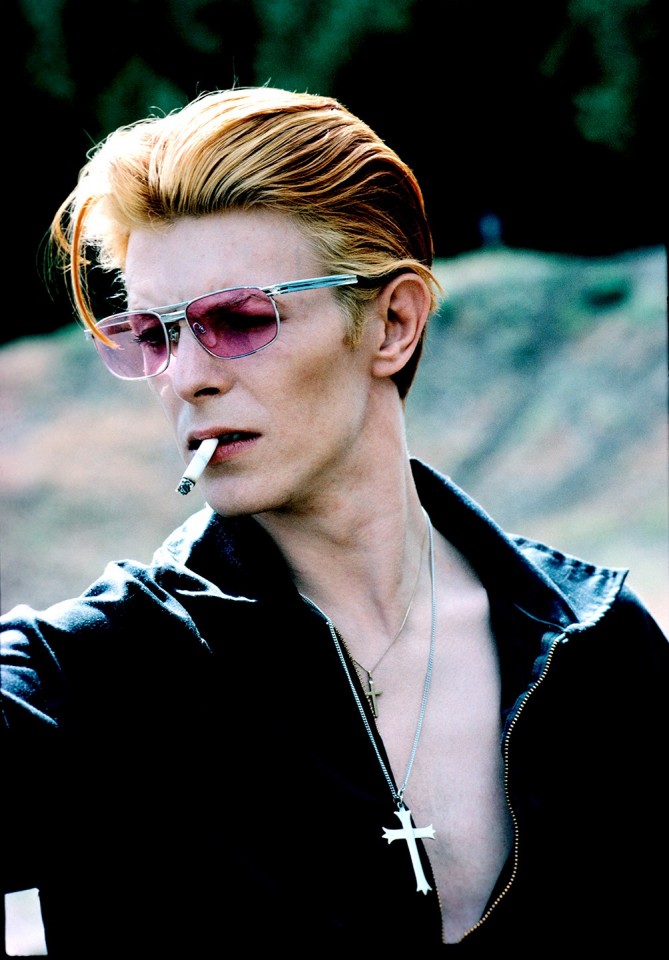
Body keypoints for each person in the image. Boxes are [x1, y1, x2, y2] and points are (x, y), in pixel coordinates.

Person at [1, 87, 667, 958]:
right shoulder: (94, 677)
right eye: (155, 335)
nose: (186, 378)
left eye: (237, 319)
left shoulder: (598, 649)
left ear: (392, 323)